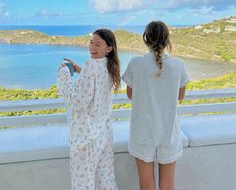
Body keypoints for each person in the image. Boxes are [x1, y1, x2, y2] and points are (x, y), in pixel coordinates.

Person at [122, 21, 189, 190]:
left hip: (142, 131)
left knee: (146, 185)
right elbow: (180, 97)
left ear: (145, 39)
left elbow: (130, 95)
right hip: (169, 132)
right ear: (167, 41)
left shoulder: (136, 63)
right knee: (167, 185)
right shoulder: (179, 65)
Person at [57, 29, 120, 190]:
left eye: (98, 44)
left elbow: (78, 101)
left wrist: (64, 74)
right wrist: (80, 70)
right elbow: (96, 83)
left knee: (83, 184)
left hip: (87, 137)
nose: (92, 47)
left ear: (109, 48)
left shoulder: (91, 66)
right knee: (105, 180)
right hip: (104, 133)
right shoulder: (110, 66)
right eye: (91, 42)